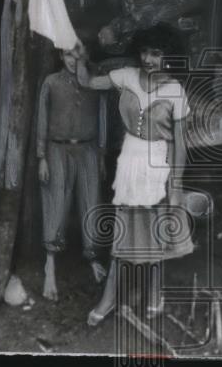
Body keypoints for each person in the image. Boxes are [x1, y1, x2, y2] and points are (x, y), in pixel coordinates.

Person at [74, 23, 194, 325]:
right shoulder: (126, 76)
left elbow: (181, 143)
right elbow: (87, 82)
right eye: (144, 51)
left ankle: (155, 292)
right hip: (129, 161)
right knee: (121, 236)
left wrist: (176, 184)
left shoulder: (175, 90)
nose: (148, 59)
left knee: (156, 237)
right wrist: (80, 59)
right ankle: (109, 298)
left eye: (156, 53)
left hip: (157, 164)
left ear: (168, 56)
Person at [35, 48, 107, 301]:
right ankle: (50, 265)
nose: (73, 61)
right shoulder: (51, 83)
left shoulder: (95, 82)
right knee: (56, 203)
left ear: (85, 57)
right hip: (57, 149)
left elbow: (102, 117)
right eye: (68, 55)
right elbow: (42, 119)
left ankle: (92, 258)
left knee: (91, 203)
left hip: (88, 149)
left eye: (78, 56)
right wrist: (41, 156)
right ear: (60, 57)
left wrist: (100, 154)